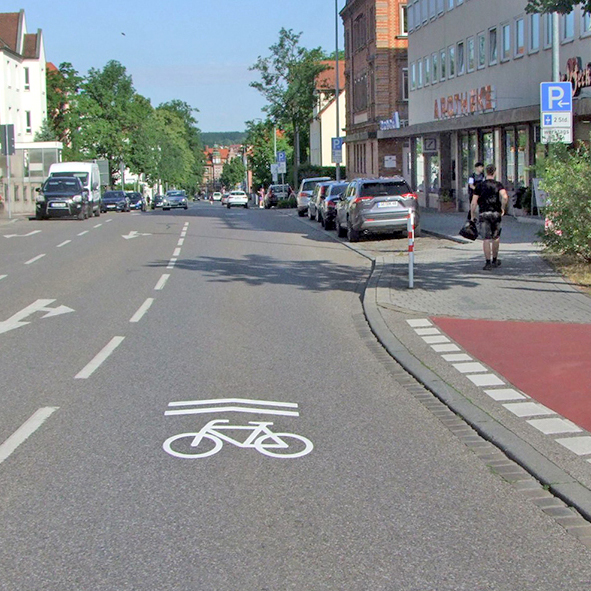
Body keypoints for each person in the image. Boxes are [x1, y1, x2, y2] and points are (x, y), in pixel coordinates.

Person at [470, 164, 509, 271]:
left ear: (486, 172)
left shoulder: (480, 186)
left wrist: (473, 215)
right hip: (495, 213)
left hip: (484, 213)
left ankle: (487, 263)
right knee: (496, 237)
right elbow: (505, 197)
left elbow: (473, 203)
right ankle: (495, 260)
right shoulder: (498, 185)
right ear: (494, 172)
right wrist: (502, 208)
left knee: (486, 239)